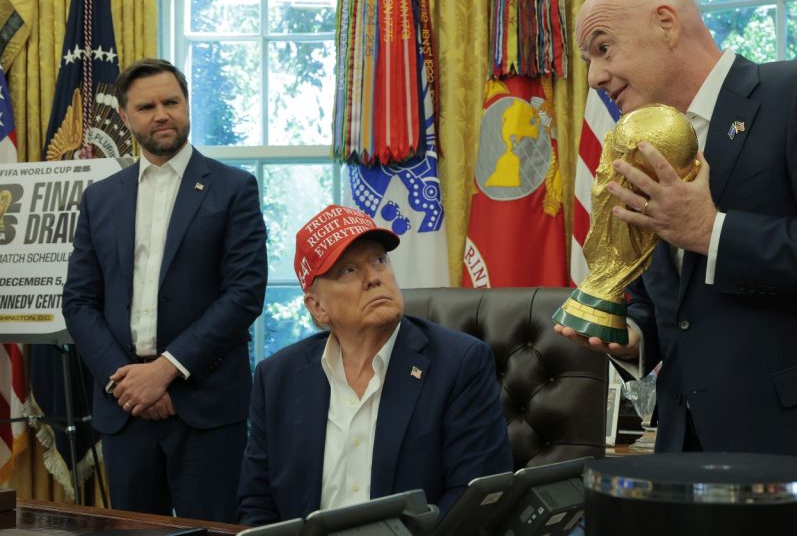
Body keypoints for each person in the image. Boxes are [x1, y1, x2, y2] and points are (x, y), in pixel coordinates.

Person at [556, 0, 797, 534]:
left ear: (666, 24)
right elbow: (676, 302)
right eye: (588, 60)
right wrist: (635, 336)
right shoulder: (645, 146)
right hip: (687, 468)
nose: (595, 76)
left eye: (603, 49)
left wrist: (712, 231)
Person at [62, 58, 268, 521]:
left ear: (187, 105)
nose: (161, 114)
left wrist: (165, 371)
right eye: (146, 107)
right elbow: (78, 301)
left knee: (214, 530)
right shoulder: (100, 198)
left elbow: (244, 293)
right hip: (125, 407)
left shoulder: (234, 188)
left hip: (206, 405)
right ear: (125, 116)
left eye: (171, 102)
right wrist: (127, 381)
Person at [236, 205, 513, 526]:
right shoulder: (277, 378)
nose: (373, 278)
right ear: (317, 306)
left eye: (379, 260)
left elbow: (474, 499)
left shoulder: (460, 364)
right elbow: (257, 505)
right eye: (348, 270)